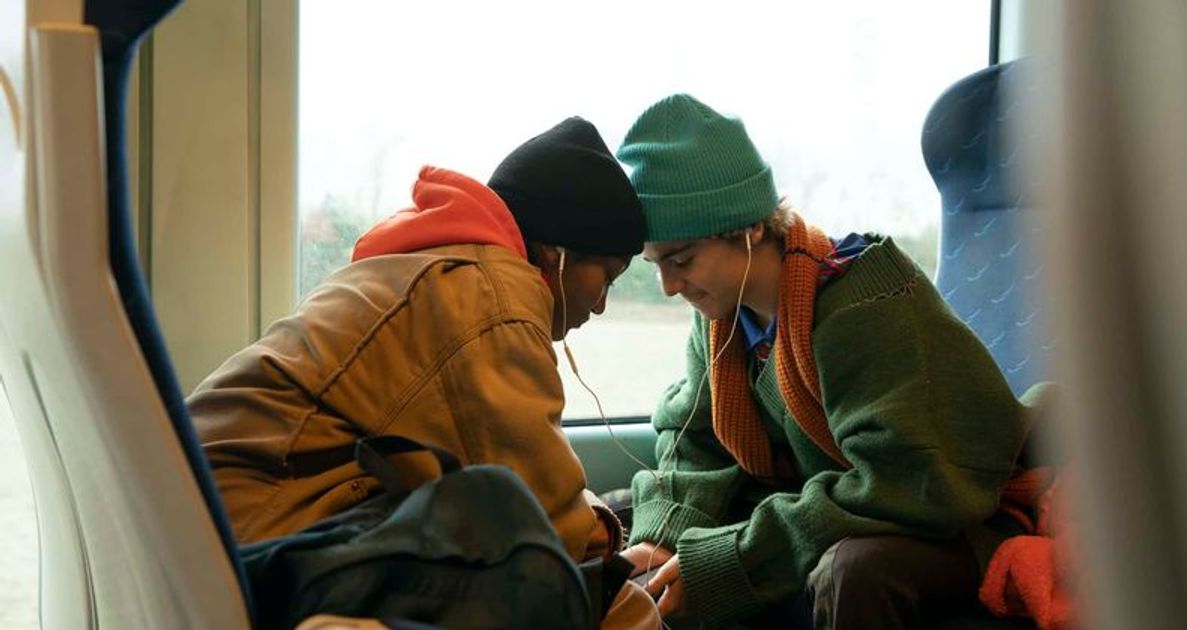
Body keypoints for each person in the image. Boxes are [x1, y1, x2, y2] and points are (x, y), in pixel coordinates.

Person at [188, 117, 658, 628]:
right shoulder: (491, 300)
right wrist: (608, 535)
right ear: (556, 252)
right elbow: (553, 527)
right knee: (624, 608)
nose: (601, 304)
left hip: (205, 522)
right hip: (246, 543)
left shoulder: (434, 265)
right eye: (606, 277)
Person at [614, 94, 1054, 628]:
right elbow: (695, 439)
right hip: (843, 499)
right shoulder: (719, 321)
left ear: (748, 228)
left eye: (682, 260)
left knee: (851, 571)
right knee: (621, 516)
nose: (668, 286)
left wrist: (736, 558)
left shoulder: (865, 303)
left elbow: (910, 481)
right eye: (655, 264)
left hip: (954, 515)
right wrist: (662, 537)